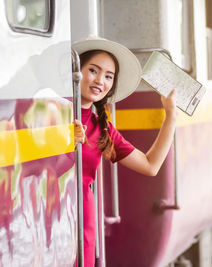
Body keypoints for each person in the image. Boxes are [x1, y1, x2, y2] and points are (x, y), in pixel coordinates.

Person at [72, 36, 177, 266]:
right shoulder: (52, 109)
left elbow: (151, 165)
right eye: (93, 70)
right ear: (76, 72)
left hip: (83, 217)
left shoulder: (102, 128)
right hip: (51, 213)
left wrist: (171, 117)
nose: (100, 80)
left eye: (109, 76)